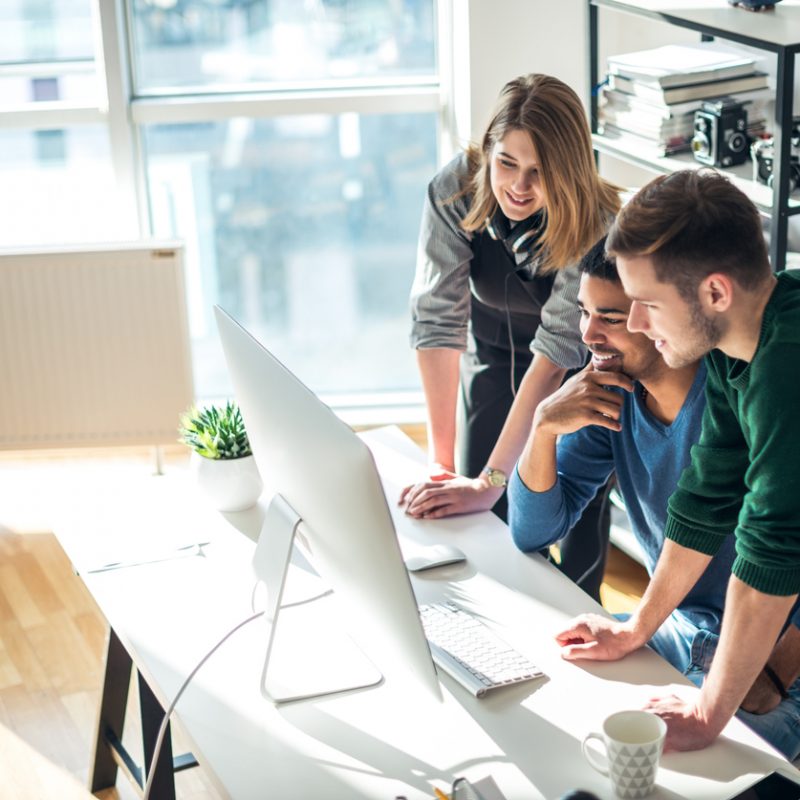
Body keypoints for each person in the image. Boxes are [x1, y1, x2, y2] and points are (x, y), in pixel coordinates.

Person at [507, 237, 800, 759]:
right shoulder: (610, 394)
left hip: (768, 662)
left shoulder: (748, 387)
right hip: (677, 633)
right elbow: (531, 530)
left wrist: (774, 673)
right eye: (584, 313)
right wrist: (544, 426)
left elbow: (777, 543)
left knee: (679, 770)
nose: (589, 335)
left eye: (614, 317)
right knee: (546, 703)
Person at [400, 74, 621, 597]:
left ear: (567, 172)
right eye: (506, 163)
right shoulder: (454, 191)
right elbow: (437, 322)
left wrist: (492, 481)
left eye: (539, 172)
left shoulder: (597, 223)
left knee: (562, 508)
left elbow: (556, 353)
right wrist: (443, 465)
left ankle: (576, 610)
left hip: (576, 370)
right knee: (478, 503)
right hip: (494, 351)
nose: (518, 187)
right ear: (488, 151)